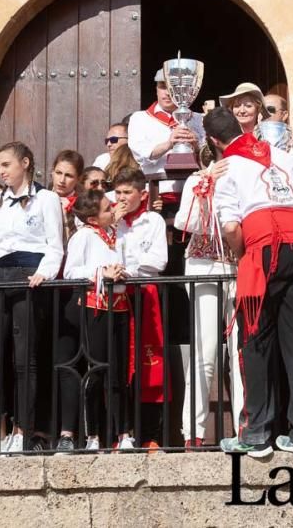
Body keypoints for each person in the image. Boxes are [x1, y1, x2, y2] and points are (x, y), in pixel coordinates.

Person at [207, 106, 293, 458]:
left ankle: (256, 433)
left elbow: (229, 227)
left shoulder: (227, 168)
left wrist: (241, 254)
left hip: (264, 251)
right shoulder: (281, 155)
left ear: (213, 140)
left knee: (254, 339)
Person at [0, 142, 63, 454]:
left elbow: (55, 244)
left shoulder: (47, 198)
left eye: (6, 164)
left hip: (30, 277)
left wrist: (45, 273)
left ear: (25, 163)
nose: (1, 171)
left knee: (26, 359)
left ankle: (22, 430)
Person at [173, 145, 242, 448]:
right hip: (205, 264)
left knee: (241, 352)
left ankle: (245, 427)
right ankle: (193, 432)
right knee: (206, 350)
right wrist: (207, 184)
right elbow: (184, 223)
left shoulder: (244, 177)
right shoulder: (196, 180)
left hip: (241, 266)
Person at [58, 190, 130, 451]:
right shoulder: (83, 237)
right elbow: (70, 272)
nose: (114, 209)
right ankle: (93, 435)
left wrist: (122, 270)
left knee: (119, 374)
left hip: (120, 307)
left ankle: (124, 434)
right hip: (95, 308)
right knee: (97, 371)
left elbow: (129, 262)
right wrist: (101, 272)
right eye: (108, 208)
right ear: (92, 218)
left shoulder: (116, 234)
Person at [113, 167, 168, 448]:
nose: (121, 198)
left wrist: (129, 268)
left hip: (145, 292)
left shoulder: (154, 221)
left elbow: (158, 261)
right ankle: (118, 433)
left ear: (142, 195)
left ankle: (150, 434)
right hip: (116, 295)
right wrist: (112, 227)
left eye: (127, 193)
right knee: (118, 363)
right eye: (118, 192)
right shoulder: (110, 221)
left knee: (150, 364)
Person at [126, 69, 203, 202]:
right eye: (162, 87)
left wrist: (196, 145)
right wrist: (169, 144)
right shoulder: (140, 118)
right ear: (156, 89)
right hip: (157, 193)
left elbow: (210, 157)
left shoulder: (198, 118)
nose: (167, 93)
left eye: (173, 88)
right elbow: (141, 155)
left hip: (195, 194)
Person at [50, 149, 85, 236]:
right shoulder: (39, 198)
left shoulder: (83, 205)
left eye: (68, 175)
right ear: (52, 172)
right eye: (58, 173)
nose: (62, 180)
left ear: (79, 178)